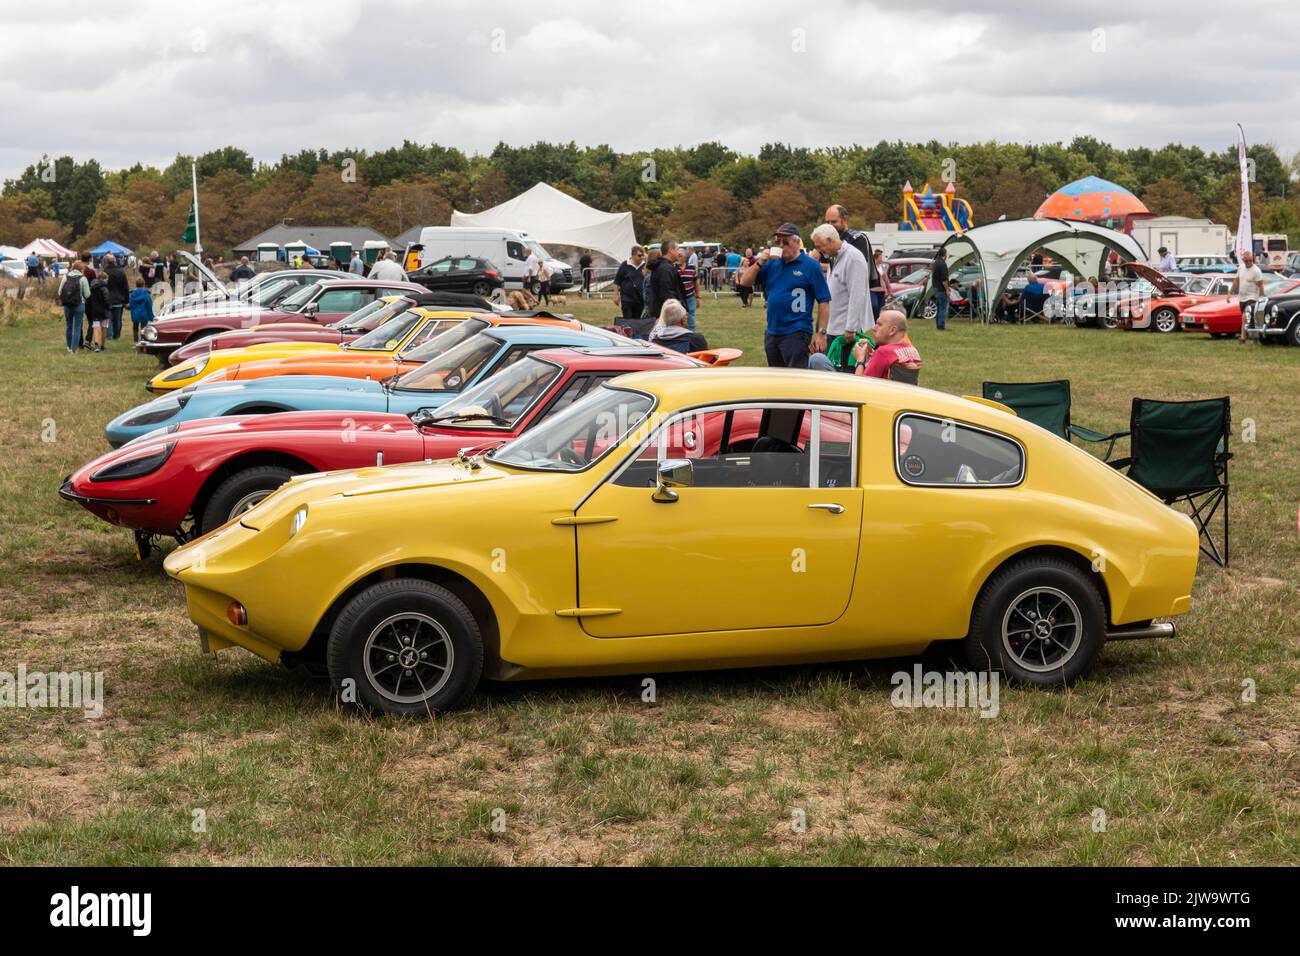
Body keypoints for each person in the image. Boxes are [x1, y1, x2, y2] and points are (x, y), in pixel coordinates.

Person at [738, 223, 831, 369]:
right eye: (778, 242)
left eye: (785, 242)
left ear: (796, 242)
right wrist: (759, 262)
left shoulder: (811, 265)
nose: (781, 246)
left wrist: (821, 333)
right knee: (776, 378)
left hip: (797, 331)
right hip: (773, 330)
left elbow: (824, 301)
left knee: (796, 378)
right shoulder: (772, 264)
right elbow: (745, 282)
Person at [810, 222, 871, 372]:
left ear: (830, 240)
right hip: (834, 328)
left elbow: (857, 295)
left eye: (819, 246)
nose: (818, 251)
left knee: (844, 374)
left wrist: (850, 328)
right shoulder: (833, 257)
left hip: (846, 332)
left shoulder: (853, 258)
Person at [855, 311, 921, 379]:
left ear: (892, 330)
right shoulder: (913, 350)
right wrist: (874, 356)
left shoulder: (883, 353)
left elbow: (861, 386)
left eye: (879, 324)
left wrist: (860, 359)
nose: (874, 328)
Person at [646, 240, 686, 324]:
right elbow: (667, 293)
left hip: (664, 313)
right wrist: (676, 313)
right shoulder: (665, 269)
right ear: (671, 250)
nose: (679, 253)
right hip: (666, 316)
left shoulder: (666, 267)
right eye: (677, 249)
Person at [1231, 250, 1264, 343]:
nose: (1249, 262)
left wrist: (1261, 297)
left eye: (1250, 260)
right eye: (1246, 261)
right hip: (1242, 298)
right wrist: (1230, 292)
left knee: (1244, 317)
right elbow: (1236, 281)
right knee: (1248, 318)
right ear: (1243, 260)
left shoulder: (1256, 270)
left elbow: (1261, 285)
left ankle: (1243, 337)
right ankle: (1255, 338)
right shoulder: (1241, 268)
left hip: (1252, 297)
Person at [57, 261, 91, 354]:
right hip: (79, 304)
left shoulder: (65, 276)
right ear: (81, 269)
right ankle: (73, 349)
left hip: (67, 305)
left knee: (69, 326)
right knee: (77, 327)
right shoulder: (83, 278)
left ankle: (68, 346)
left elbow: (59, 292)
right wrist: (82, 297)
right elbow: (87, 294)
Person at [613, 245, 648, 334]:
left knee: (638, 321)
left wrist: (646, 259)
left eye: (642, 255)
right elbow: (617, 282)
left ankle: (636, 338)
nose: (641, 257)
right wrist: (616, 296)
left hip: (640, 299)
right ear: (632, 255)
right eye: (639, 255)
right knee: (628, 321)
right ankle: (628, 336)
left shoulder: (645, 265)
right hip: (627, 299)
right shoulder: (625, 265)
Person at [103, 254, 129, 340]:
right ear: (115, 261)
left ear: (106, 261)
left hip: (107, 299)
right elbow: (125, 287)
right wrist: (126, 300)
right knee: (118, 319)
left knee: (109, 318)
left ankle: (110, 335)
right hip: (119, 298)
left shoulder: (104, 272)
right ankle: (116, 335)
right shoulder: (121, 272)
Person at [87, 270, 112, 352]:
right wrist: (109, 307)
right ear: (102, 278)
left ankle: (96, 345)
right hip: (104, 311)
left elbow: (89, 299)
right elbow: (107, 300)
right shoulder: (104, 288)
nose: (107, 280)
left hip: (95, 310)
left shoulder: (92, 287)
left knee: (96, 327)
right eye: (106, 279)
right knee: (104, 327)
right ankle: (102, 346)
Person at [677, 246, 698, 331]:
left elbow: (695, 283)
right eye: (677, 256)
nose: (678, 258)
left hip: (690, 297)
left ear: (685, 257)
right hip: (678, 298)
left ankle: (692, 336)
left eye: (680, 256)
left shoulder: (691, 267)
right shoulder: (672, 268)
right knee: (678, 318)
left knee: (691, 317)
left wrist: (698, 297)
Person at [127, 277, 154, 342]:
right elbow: (149, 306)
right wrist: (151, 317)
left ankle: (135, 341)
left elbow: (131, 305)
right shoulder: (146, 295)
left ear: (136, 284)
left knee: (135, 328)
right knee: (144, 328)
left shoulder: (132, 295)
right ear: (144, 285)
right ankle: (143, 340)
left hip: (135, 314)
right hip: (144, 314)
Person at [930, 248, 951, 330]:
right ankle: (941, 325)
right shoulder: (942, 264)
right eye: (946, 254)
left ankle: (938, 324)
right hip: (941, 289)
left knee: (939, 307)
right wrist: (947, 289)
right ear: (944, 255)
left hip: (936, 288)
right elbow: (944, 280)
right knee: (943, 307)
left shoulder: (935, 263)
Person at [870, 248, 892, 316]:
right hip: (872, 290)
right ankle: (875, 319)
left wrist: (889, 290)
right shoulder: (871, 267)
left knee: (881, 307)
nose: (881, 259)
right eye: (880, 258)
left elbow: (886, 280)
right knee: (874, 305)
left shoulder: (882, 267)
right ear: (876, 258)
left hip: (882, 290)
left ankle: (879, 320)